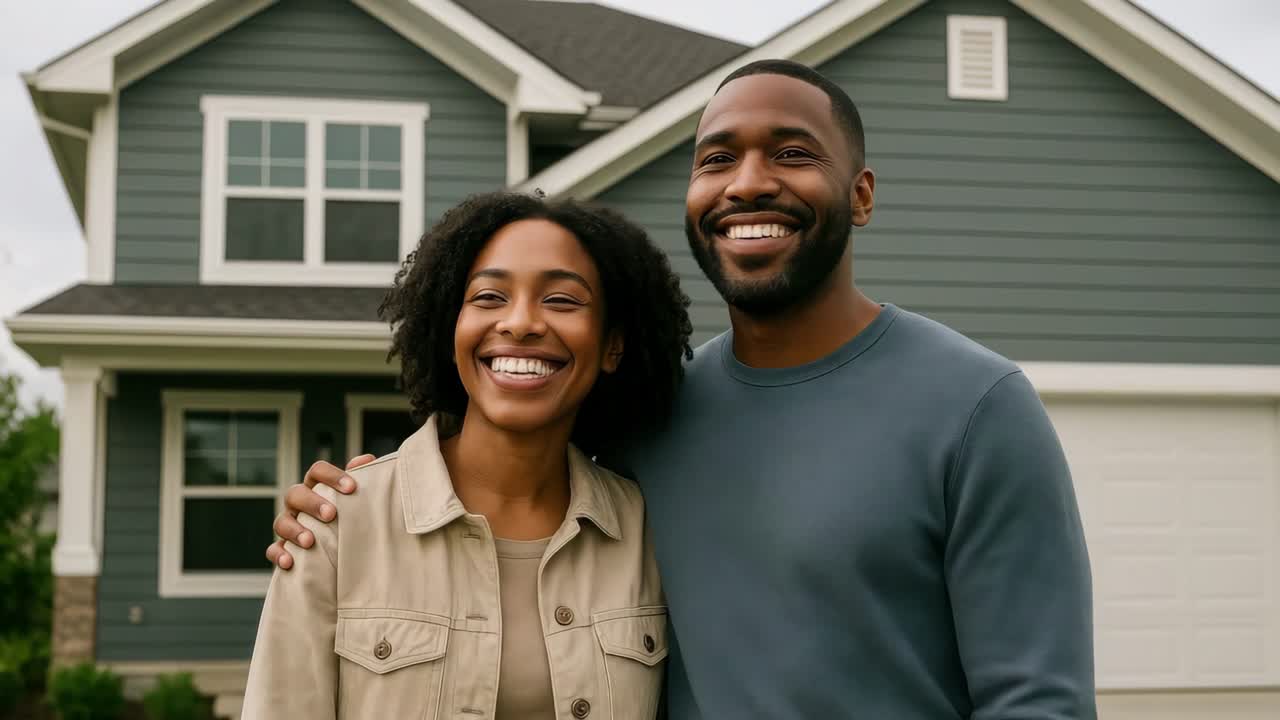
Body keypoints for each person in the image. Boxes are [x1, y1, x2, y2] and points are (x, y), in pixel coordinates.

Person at [269, 60, 1096, 718]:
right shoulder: (650, 420)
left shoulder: (978, 407)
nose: (747, 183)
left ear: (862, 194)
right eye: (717, 159)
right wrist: (337, 511)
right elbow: (502, 477)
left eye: (793, 153)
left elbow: (1039, 702)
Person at [242, 191, 693, 720]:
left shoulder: (649, 535)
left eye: (562, 300)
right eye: (488, 297)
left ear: (613, 345)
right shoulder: (336, 527)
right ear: (449, 326)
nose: (521, 322)